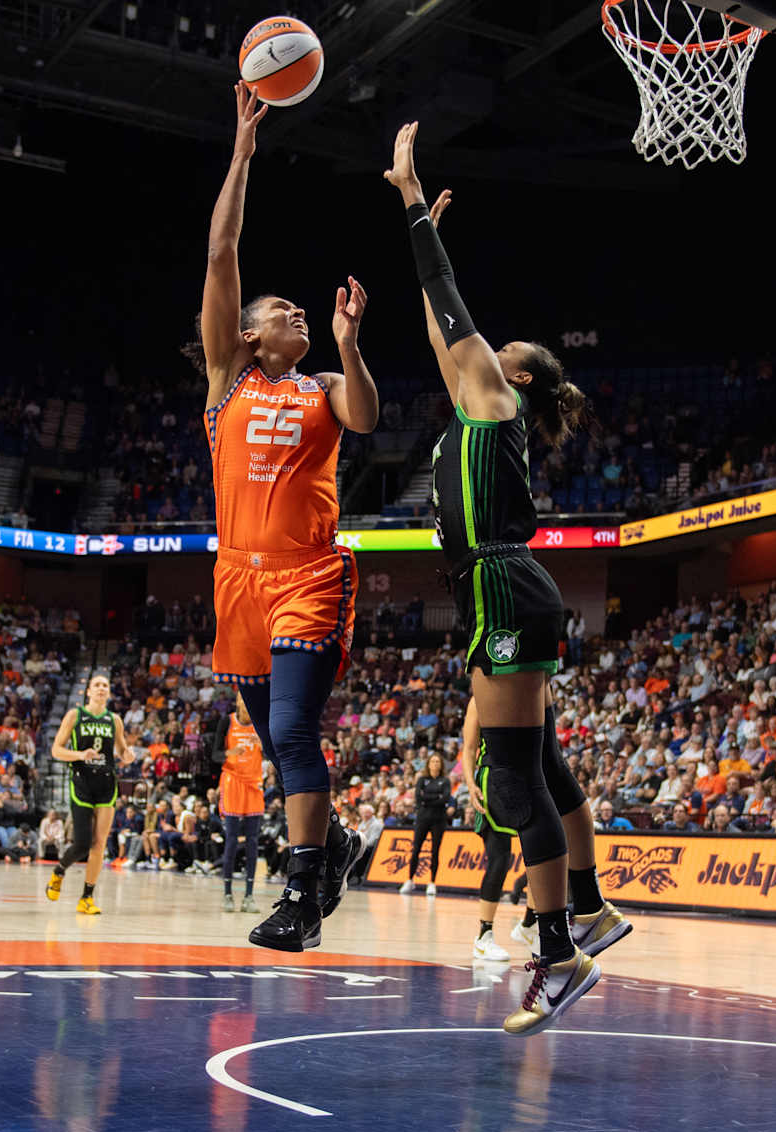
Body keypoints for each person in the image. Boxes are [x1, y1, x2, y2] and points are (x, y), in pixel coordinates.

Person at [385, 122, 629, 1034]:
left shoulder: (497, 397)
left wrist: (412, 203)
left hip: (503, 585)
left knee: (508, 780)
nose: (477, 355)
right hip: (506, 587)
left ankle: (560, 952)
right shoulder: (477, 403)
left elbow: (452, 311)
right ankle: (593, 909)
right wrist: (424, 251)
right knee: (537, 764)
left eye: (492, 351)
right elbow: (440, 322)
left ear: (513, 373)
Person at [188, 82, 378, 952]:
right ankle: (333, 842)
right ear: (250, 336)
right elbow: (223, 250)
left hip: (307, 574)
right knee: (276, 743)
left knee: (296, 730)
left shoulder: (323, 386)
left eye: (304, 311)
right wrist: (242, 150)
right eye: (285, 312)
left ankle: (301, 898)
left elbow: (369, 417)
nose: (298, 312)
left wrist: (346, 342)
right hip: (238, 581)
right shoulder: (228, 380)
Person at [47, 673, 127, 914]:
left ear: (109, 693)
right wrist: (80, 755)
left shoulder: (115, 720)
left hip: (106, 783)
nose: (101, 688)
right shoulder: (75, 716)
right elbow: (56, 750)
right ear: (88, 691)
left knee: (99, 843)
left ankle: (86, 898)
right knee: (82, 843)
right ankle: (59, 872)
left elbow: (122, 750)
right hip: (82, 782)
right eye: (97, 685)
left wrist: (129, 755)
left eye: (105, 685)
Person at [460, 702, 516, 962]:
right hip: (491, 781)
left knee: (543, 853)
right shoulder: (478, 699)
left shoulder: (525, 689)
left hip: (525, 778)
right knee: (500, 859)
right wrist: (470, 784)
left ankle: (531, 925)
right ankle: (484, 935)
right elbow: (469, 747)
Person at [219, 690, 266, 912]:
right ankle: (227, 894)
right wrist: (230, 752)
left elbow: (275, 754)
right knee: (230, 840)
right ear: (237, 701)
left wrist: (264, 745)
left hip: (254, 784)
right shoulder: (226, 722)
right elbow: (214, 755)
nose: (245, 702)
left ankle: (249, 896)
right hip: (233, 783)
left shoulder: (262, 724)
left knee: (252, 841)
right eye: (241, 698)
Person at [400, 752, 452, 896]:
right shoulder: (422, 779)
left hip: (439, 819)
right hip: (423, 818)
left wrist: (427, 798)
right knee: (416, 849)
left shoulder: (445, 781)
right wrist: (437, 797)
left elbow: (446, 798)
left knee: (435, 851)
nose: (435, 764)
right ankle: (410, 880)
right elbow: (418, 798)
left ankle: (432, 883)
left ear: (441, 765)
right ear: (428, 764)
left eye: (437, 762)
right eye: (433, 761)